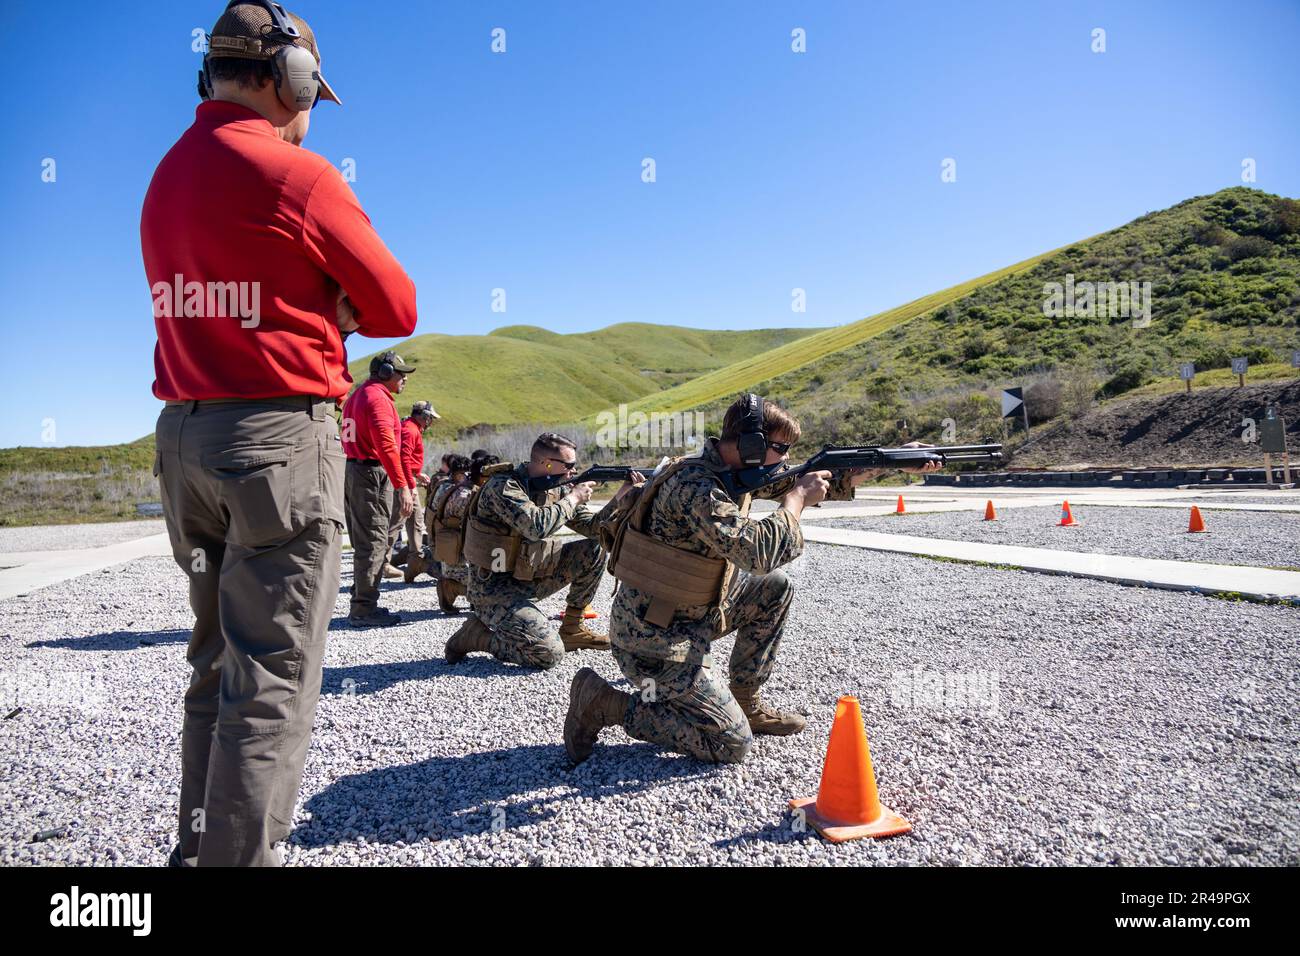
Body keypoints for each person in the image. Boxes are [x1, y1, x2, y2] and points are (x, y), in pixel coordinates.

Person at [142, 1, 417, 865]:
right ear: (285, 77)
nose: (309, 114)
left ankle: (197, 853)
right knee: (271, 687)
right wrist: (326, 312)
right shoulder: (296, 175)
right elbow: (398, 305)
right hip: (273, 445)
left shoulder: (166, 175)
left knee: (217, 670)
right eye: (309, 94)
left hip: (186, 443)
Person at [564, 394, 940, 765]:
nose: (786, 457)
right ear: (752, 446)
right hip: (655, 640)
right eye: (780, 448)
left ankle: (745, 700)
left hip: (692, 613)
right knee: (730, 743)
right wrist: (795, 503)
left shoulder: (730, 473)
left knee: (774, 589)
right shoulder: (697, 487)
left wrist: (895, 459)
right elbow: (756, 553)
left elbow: (810, 477)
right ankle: (604, 702)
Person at [445, 433, 637, 668]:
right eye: (568, 466)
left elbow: (593, 528)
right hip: (492, 590)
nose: (573, 472)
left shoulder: (554, 488)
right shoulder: (504, 486)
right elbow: (536, 526)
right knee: (548, 654)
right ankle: (476, 637)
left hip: (528, 576)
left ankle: (573, 628)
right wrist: (573, 498)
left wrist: (620, 497)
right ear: (545, 463)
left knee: (593, 549)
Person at [341, 351, 418, 626]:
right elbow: (387, 446)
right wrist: (402, 486)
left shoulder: (358, 396)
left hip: (354, 469)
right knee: (373, 540)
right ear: (386, 373)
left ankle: (360, 596)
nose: (404, 379)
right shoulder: (378, 399)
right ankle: (364, 608)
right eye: (401, 374)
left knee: (364, 539)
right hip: (371, 472)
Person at [427, 453, 480, 612]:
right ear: (459, 474)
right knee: (473, 580)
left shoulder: (441, 485)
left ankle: (451, 590)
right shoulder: (462, 492)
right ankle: (451, 589)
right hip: (456, 540)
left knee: (456, 571)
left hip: (442, 538)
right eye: (466, 473)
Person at [399, 401, 440, 583]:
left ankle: (414, 558)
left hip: (406, 479)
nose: (430, 421)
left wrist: (417, 474)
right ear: (423, 416)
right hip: (404, 483)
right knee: (409, 520)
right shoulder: (410, 430)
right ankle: (415, 559)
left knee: (410, 520)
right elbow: (403, 459)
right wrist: (410, 485)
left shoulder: (410, 427)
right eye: (429, 417)